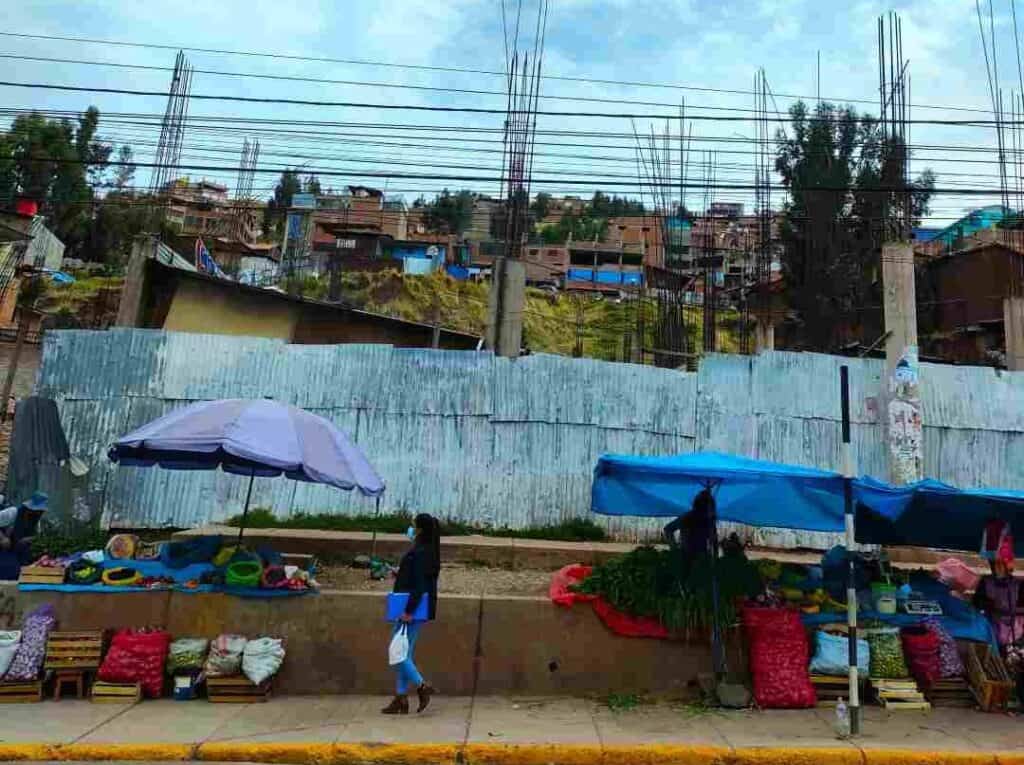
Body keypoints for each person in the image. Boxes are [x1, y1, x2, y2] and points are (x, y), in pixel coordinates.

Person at [382, 513, 440, 715]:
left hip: (411, 609)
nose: (411, 528)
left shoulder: (420, 552)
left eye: (414, 525)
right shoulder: (428, 551)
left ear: (421, 529)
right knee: (403, 653)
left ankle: (422, 686)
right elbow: (419, 578)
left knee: (397, 654)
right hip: (417, 608)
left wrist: (408, 611)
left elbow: (419, 586)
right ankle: (401, 698)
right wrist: (401, 572)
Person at [972, 520, 1023, 652]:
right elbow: (977, 603)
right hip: (992, 625)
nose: (996, 567)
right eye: (994, 563)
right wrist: (988, 606)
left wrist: (1013, 613)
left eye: (1000, 564)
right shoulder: (986, 582)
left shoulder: (1018, 584)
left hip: (1016, 627)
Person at [663, 488, 716, 575]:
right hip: (686, 555)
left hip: (701, 557)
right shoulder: (688, 517)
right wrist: (674, 548)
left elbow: (713, 540)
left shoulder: (709, 520)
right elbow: (668, 529)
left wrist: (713, 557)